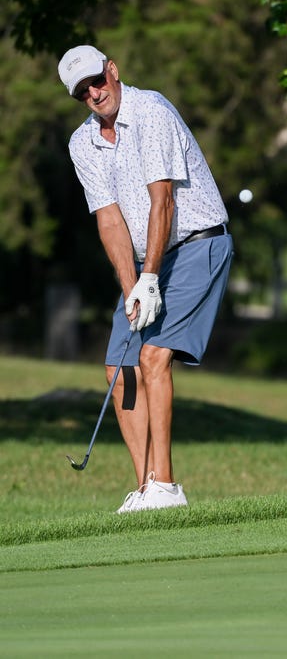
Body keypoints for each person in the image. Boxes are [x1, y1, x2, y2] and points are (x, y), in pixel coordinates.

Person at [58, 45, 233, 513]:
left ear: (112, 70)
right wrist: (130, 287)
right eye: (82, 91)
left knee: (154, 357)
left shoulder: (151, 110)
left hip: (198, 244)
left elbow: (164, 204)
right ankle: (145, 488)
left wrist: (150, 278)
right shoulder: (83, 144)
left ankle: (168, 486)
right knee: (120, 366)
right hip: (144, 263)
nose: (93, 94)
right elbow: (110, 221)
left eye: (97, 80)